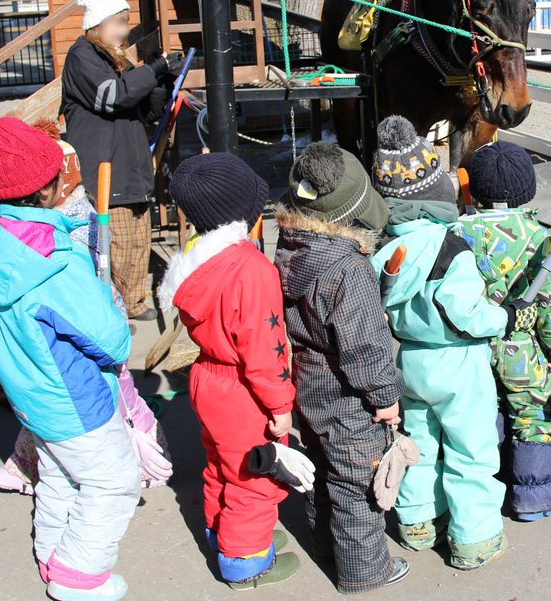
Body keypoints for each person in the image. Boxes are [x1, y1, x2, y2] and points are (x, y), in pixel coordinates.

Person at [0, 117, 139, 601]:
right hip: (75, 396)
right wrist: (108, 302)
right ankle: (78, 575)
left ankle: (51, 551)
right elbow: (112, 341)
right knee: (113, 481)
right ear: (48, 189)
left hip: (31, 392)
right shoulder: (54, 263)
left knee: (62, 474)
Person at [369, 116, 531, 571]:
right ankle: (473, 536)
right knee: (471, 450)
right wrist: (504, 317)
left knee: (417, 443)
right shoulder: (449, 247)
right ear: (435, 192)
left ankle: (418, 522)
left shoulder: (383, 250)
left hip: (410, 363)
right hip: (458, 364)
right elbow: (467, 314)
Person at [0, 121, 172, 496]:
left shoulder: (60, 223)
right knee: (63, 415)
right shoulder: (31, 238)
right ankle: (27, 469)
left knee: (124, 398)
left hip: (83, 326)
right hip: (57, 360)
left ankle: (152, 455)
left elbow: (101, 326)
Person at [159, 153, 301, 589]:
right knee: (254, 476)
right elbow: (263, 349)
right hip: (243, 388)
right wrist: (280, 405)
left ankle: (224, 532)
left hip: (208, 376)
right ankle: (246, 560)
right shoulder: (251, 269)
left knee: (222, 464)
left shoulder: (196, 261)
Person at [274, 142, 410, 593]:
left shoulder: (289, 245)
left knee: (320, 468)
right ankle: (365, 571)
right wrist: (387, 398)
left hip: (307, 382)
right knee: (356, 482)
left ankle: (326, 546)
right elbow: (365, 347)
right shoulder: (348, 268)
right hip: (346, 394)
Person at [456, 140, 551, 521]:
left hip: (469, 344)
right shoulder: (541, 238)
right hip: (521, 347)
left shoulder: (456, 233)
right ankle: (534, 495)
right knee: (534, 412)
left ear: (470, 187)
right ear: (528, 189)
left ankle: (487, 480)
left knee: (480, 408)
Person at [60, 0, 174, 321]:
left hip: (131, 165)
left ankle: (135, 302)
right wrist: (152, 71)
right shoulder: (83, 56)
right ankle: (114, 309)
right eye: (119, 23)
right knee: (116, 245)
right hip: (105, 167)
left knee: (139, 240)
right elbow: (113, 96)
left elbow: (146, 111)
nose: (125, 32)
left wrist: (161, 80)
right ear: (99, 24)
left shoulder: (116, 60)